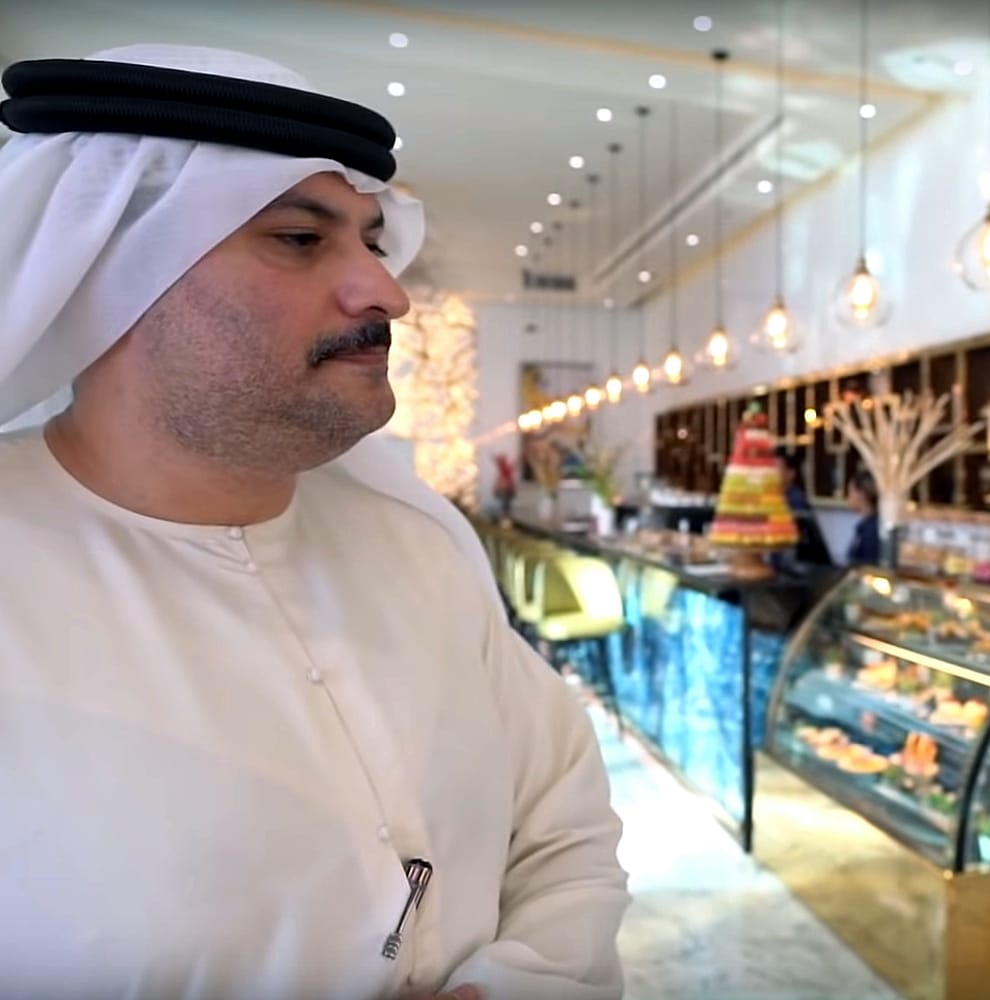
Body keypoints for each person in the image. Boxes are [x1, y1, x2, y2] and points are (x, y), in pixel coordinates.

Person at [0, 45, 628, 1000]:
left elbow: (564, 825)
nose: (388, 292)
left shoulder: (418, 544)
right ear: (112, 270)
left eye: (371, 242)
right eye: (300, 238)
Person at [845, 470, 881, 565]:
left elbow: (867, 566)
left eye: (850, 491)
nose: (848, 497)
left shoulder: (871, 530)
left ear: (861, 494)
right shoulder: (865, 526)